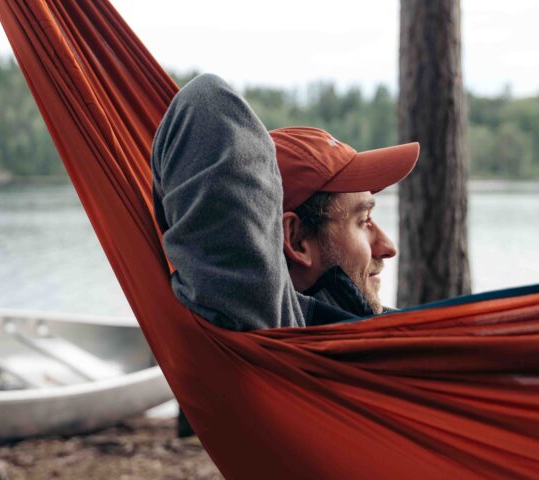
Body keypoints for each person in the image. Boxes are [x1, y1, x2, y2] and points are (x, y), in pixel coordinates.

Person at [152, 74, 419, 331]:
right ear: (296, 238)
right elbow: (207, 100)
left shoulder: (359, 332)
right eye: (363, 221)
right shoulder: (269, 323)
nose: (388, 247)